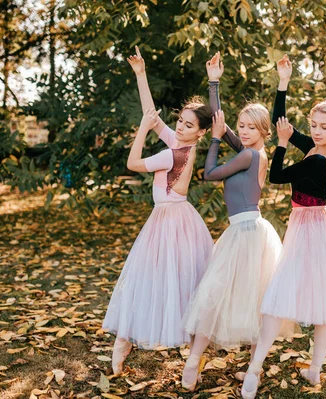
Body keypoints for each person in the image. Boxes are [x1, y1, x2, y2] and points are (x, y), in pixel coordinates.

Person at [240, 55, 326, 398]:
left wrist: (279, 143)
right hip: (311, 223)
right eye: (315, 125)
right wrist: (283, 82)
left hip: (312, 229)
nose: (317, 131)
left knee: (284, 297)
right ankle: (305, 370)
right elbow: (283, 123)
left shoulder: (320, 158)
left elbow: (276, 176)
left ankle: (259, 370)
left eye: (324, 127)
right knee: (310, 300)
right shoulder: (316, 148)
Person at [181, 52, 293, 391]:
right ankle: (193, 361)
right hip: (241, 230)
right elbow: (219, 119)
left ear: (262, 132)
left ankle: (251, 371)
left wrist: (215, 139)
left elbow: (210, 173)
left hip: (249, 233)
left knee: (236, 296)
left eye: (249, 128)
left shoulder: (250, 153)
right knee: (221, 293)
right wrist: (213, 79)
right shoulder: (248, 148)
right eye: (240, 127)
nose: (242, 132)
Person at [102, 47, 214, 374]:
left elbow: (133, 163)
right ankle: (137, 342)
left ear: (201, 132)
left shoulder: (174, 155)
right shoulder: (182, 145)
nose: (179, 127)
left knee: (153, 279)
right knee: (174, 281)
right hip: (175, 218)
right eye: (180, 120)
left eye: (188, 124)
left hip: (170, 222)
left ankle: (132, 341)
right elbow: (155, 117)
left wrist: (141, 128)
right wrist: (141, 74)